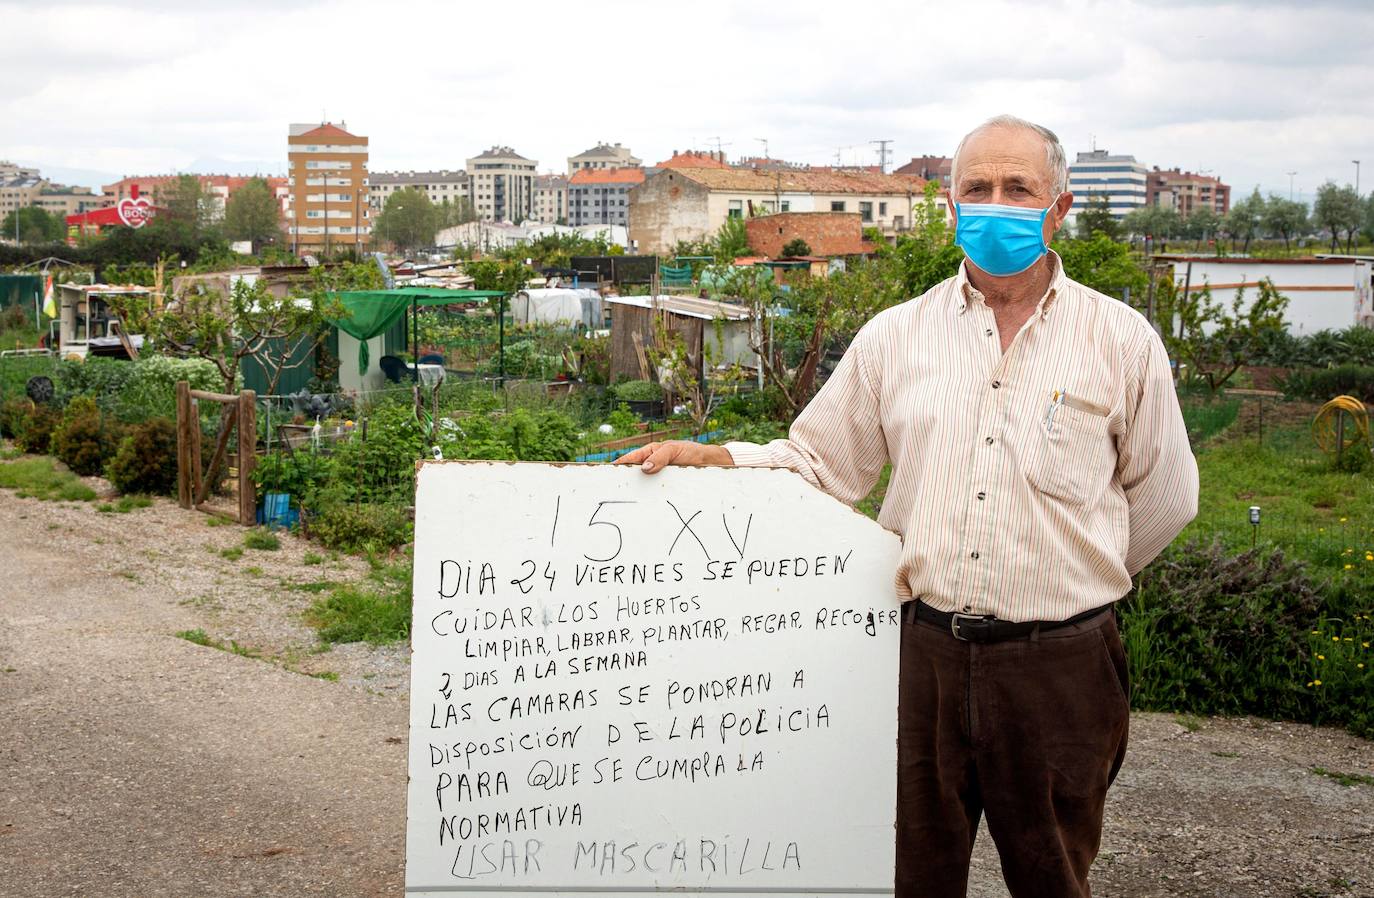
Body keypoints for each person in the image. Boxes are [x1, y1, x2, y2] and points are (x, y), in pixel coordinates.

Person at [617, 114, 1199, 897]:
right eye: (977, 189)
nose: (996, 204)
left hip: (1062, 668)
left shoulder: (1119, 340)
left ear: (1059, 207)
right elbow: (822, 462)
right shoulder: (897, 336)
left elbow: (1166, 496)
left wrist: (1074, 573)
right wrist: (716, 456)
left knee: (1054, 873)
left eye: (1018, 188)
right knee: (909, 873)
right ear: (952, 208)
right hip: (919, 658)